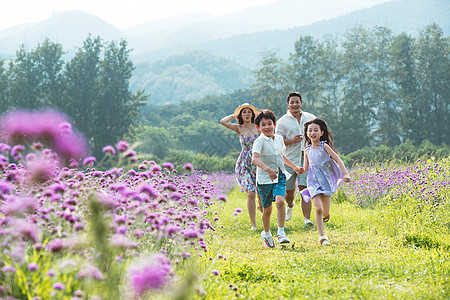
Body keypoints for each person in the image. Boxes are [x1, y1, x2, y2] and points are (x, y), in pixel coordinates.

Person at [251, 109, 302, 248]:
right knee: (266, 210)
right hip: (264, 180)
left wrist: (294, 166)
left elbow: (281, 156)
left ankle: (281, 233)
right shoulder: (259, 141)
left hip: (280, 175)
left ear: (274, 124)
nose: (267, 127)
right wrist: (267, 170)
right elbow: (254, 159)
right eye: (263, 125)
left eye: (269, 124)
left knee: (280, 201)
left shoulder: (279, 139)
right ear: (258, 127)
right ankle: (266, 234)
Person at [299, 118, 351, 246]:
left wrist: (345, 173)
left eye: (316, 130)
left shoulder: (325, 146)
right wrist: (300, 170)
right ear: (307, 133)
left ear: (322, 132)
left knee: (325, 213)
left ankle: (324, 218)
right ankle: (322, 237)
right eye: (310, 130)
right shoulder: (306, 150)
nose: (313, 133)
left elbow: (337, 159)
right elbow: (306, 168)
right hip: (313, 182)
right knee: (318, 208)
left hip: (326, 181)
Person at [275, 92, 316, 226]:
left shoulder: (310, 118)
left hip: (306, 159)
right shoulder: (281, 122)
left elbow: (318, 134)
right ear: (287, 104)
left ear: (301, 103)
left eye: (297, 102)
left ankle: (307, 219)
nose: (294, 105)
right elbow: (277, 143)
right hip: (289, 160)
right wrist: (291, 140)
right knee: (289, 192)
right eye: (292, 102)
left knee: (305, 188)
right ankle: (290, 205)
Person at [220, 103, 262, 230]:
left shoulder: (259, 127)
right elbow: (223, 121)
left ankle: (260, 204)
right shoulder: (238, 128)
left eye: (249, 112)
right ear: (241, 115)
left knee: (260, 192)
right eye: (244, 112)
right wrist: (235, 114)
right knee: (250, 193)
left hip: (258, 161)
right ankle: (253, 224)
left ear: (253, 114)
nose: (247, 114)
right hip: (244, 163)